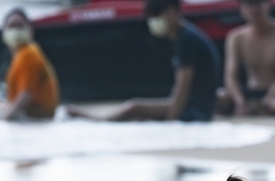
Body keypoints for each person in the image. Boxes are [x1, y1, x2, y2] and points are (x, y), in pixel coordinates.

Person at [67, 0, 220, 122]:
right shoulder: (183, 37)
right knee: (137, 113)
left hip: (196, 109)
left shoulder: (187, 40)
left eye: (157, 16)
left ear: (172, 12)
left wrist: (172, 121)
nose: (155, 22)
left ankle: (97, 119)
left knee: (135, 108)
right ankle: (96, 118)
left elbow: (183, 85)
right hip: (195, 104)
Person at [218, 0, 275, 117]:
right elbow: (230, 77)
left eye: (257, 3)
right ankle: (251, 108)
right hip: (251, 92)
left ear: (268, 5)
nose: (253, 9)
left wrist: (267, 99)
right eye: (247, 4)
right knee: (218, 98)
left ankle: (260, 108)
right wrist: (239, 102)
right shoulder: (236, 37)